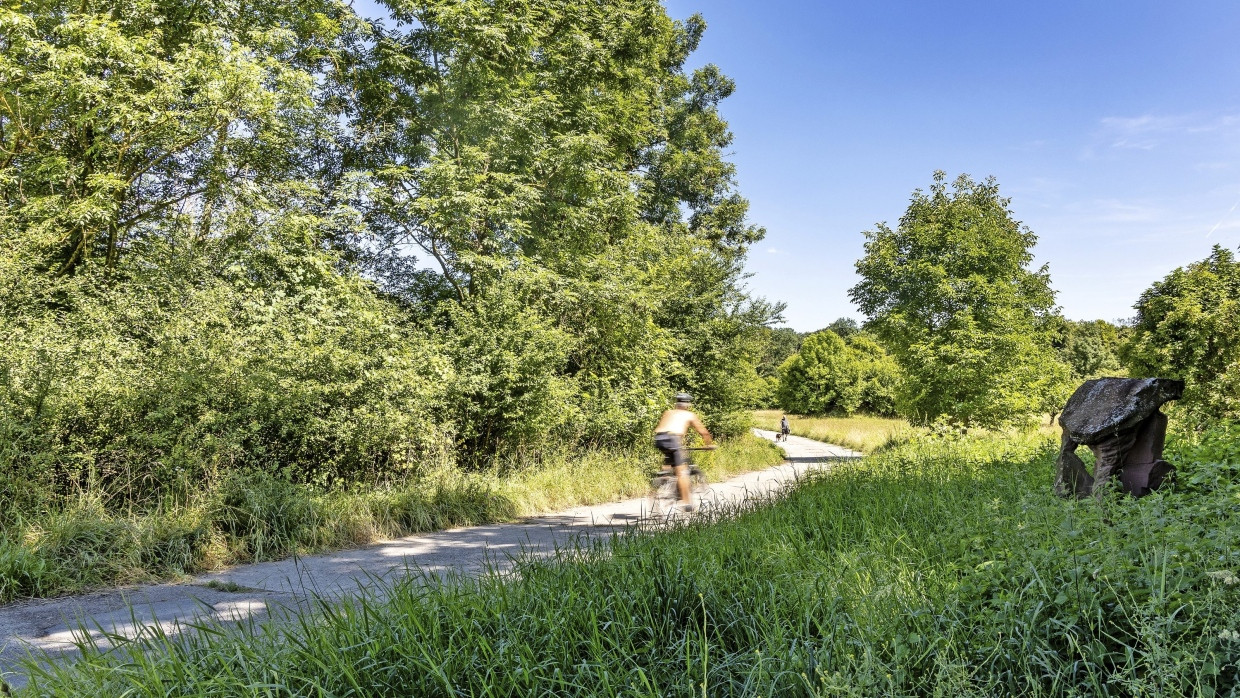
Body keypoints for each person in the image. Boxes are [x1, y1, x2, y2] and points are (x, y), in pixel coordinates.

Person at [654, 392, 715, 510]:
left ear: (676, 403)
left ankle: (664, 477)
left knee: (670, 459)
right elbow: (703, 432)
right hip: (673, 439)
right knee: (681, 471)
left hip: (659, 439)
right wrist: (709, 445)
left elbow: (666, 429)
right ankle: (687, 503)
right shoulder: (689, 414)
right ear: (687, 404)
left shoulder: (668, 412)